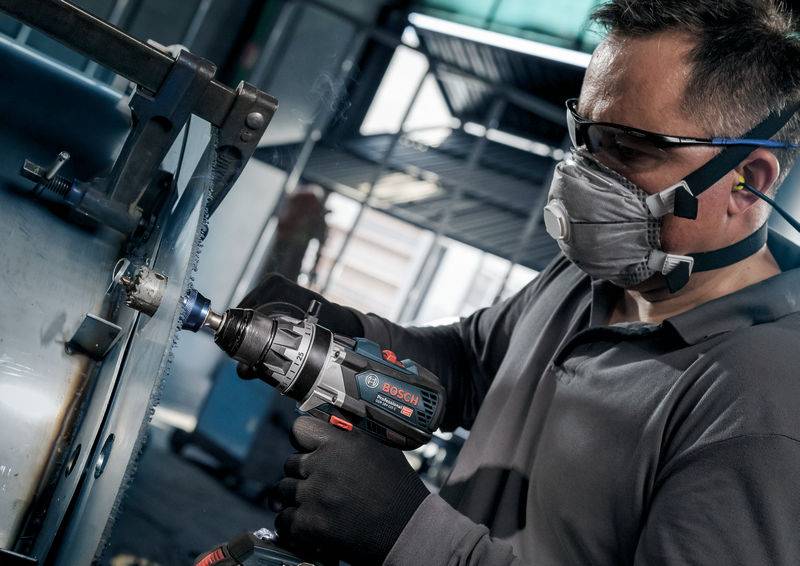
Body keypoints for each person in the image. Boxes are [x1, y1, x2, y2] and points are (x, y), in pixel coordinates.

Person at [240, 1, 800, 564]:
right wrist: (336, 330)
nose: (583, 173)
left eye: (626, 148)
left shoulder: (763, 409)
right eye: (584, 137)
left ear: (747, 183)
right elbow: (470, 365)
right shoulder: (595, 275)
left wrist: (405, 532)